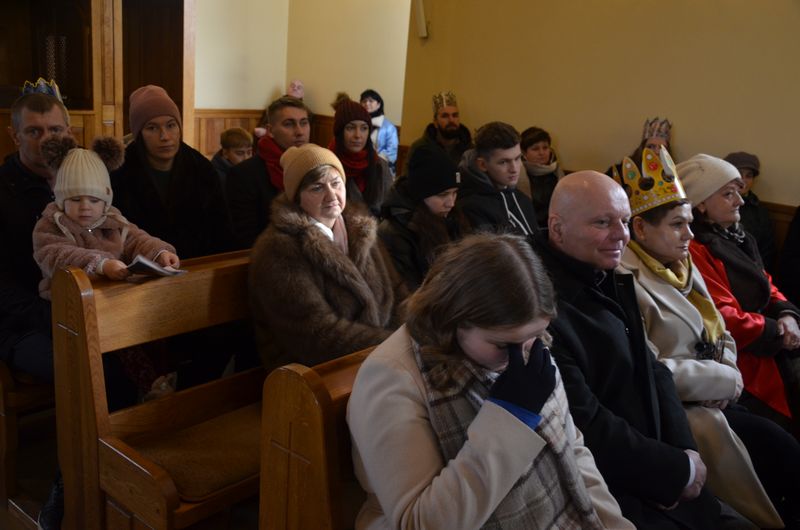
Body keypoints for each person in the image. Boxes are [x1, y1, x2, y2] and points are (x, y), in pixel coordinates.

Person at [348, 233, 634, 530]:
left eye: (535, 335)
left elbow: (573, 450)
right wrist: (511, 418)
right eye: (502, 344)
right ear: (454, 319)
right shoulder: (391, 376)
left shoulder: (527, 343)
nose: (521, 355)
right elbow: (418, 522)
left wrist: (614, 524)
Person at [534, 171, 751, 529]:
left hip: (663, 457)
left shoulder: (605, 272)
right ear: (557, 228)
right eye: (602, 222)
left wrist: (685, 450)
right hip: (616, 488)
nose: (621, 234)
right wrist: (673, 471)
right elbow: (583, 419)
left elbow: (653, 367)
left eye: (623, 221)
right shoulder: (537, 301)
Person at [619, 147, 799, 528]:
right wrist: (722, 379)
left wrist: (729, 370)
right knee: (777, 449)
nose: (689, 235)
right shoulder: (625, 280)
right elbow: (648, 365)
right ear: (640, 229)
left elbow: (719, 326)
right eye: (677, 225)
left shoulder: (681, 261)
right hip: (684, 408)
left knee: (782, 451)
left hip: (723, 388)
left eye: (688, 223)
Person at [249, 144, 406, 371]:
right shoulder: (278, 249)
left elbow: (397, 292)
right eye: (317, 188)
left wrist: (413, 332)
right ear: (297, 197)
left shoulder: (359, 228)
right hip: (308, 371)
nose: (331, 195)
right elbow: (315, 334)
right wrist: (391, 346)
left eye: (336, 183)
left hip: (374, 356)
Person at [678, 154, 800, 432]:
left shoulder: (736, 235)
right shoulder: (695, 249)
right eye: (728, 194)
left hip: (766, 341)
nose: (740, 201)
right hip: (740, 358)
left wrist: (786, 313)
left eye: (738, 192)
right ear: (701, 204)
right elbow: (721, 315)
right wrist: (777, 331)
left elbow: (765, 282)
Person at [111, 85, 234, 259]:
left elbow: (221, 230)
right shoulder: (120, 172)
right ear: (139, 134)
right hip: (140, 267)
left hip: (196, 264)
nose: (165, 136)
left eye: (171, 125)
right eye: (152, 128)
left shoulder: (201, 168)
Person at [1, 89, 70, 383]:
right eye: (34, 131)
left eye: (55, 130)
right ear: (15, 136)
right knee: (82, 367)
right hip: (17, 323)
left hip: (75, 309)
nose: (46, 140)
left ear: (68, 132)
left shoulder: (81, 181)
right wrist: (56, 316)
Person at [378, 143, 468, 290]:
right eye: (443, 195)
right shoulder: (394, 232)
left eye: (454, 193)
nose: (451, 203)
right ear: (419, 195)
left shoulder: (452, 218)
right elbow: (406, 291)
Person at [226, 96, 311, 248]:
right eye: (289, 124)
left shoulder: (314, 166)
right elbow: (246, 238)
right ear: (270, 131)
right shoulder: (243, 175)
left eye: (304, 123)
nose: (299, 132)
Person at [457, 121, 538, 235]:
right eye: (503, 162)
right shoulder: (470, 207)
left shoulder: (522, 199)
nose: (514, 169)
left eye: (517, 158)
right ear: (482, 165)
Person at [328, 96, 392, 217]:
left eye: (364, 128)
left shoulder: (379, 166)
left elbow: (390, 209)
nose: (358, 135)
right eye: (350, 128)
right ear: (340, 132)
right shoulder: (327, 165)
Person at [724, 151, 777, 272]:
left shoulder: (760, 211)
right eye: (739, 174)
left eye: (749, 176)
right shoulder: (717, 205)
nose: (743, 181)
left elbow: (767, 251)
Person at [407, 90, 473, 167]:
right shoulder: (419, 148)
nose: (451, 120)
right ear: (435, 122)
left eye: (455, 115)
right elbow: (407, 174)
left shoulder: (470, 151)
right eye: (445, 116)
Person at [518, 126, 566, 226]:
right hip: (529, 226)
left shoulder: (557, 172)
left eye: (545, 148)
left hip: (557, 224)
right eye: (535, 149)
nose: (541, 153)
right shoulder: (516, 175)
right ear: (524, 152)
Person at [607, 116, 673, 176]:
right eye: (651, 147)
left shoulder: (672, 174)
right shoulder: (621, 170)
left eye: (662, 148)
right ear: (642, 148)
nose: (657, 152)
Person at [360, 89, 398, 175]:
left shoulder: (389, 127)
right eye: (364, 101)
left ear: (378, 104)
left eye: (371, 101)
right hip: (359, 167)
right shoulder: (358, 123)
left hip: (381, 170)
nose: (367, 104)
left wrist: (374, 160)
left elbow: (392, 153)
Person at [210, 127, 253, 191]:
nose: (246, 158)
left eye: (249, 152)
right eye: (240, 153)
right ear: (225, 153)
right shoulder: (215, 177)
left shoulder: (248, 168)